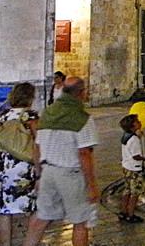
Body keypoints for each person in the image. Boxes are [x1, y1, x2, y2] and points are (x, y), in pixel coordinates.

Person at [23, 77, 99, 246]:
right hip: (70, 175)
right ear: (81, 93)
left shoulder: (47, 113)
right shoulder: (83, 118)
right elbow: (84, 153)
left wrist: (39, 175)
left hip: (48, 172)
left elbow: (37, 147)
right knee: (80, 221)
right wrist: (92, 185)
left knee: (42, 217)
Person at [0, 83, 39, 246]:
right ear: (30, 98)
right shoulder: (30, 117)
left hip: (3, 167)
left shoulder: (3, 115)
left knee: (4, 210)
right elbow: (38, 144)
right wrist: (40, 171)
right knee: (36, 208)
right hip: (23, 167)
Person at [118, 114, 145, 224]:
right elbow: (136, 156)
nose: (139, 122)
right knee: (135, 192)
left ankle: (123, 212)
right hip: (134, 168)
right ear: (132, 126)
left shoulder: (126, 136)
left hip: (126, 167)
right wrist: (144, 158)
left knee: (127, 190)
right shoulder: (134, 139)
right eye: (137, 121)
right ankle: (130, 215)